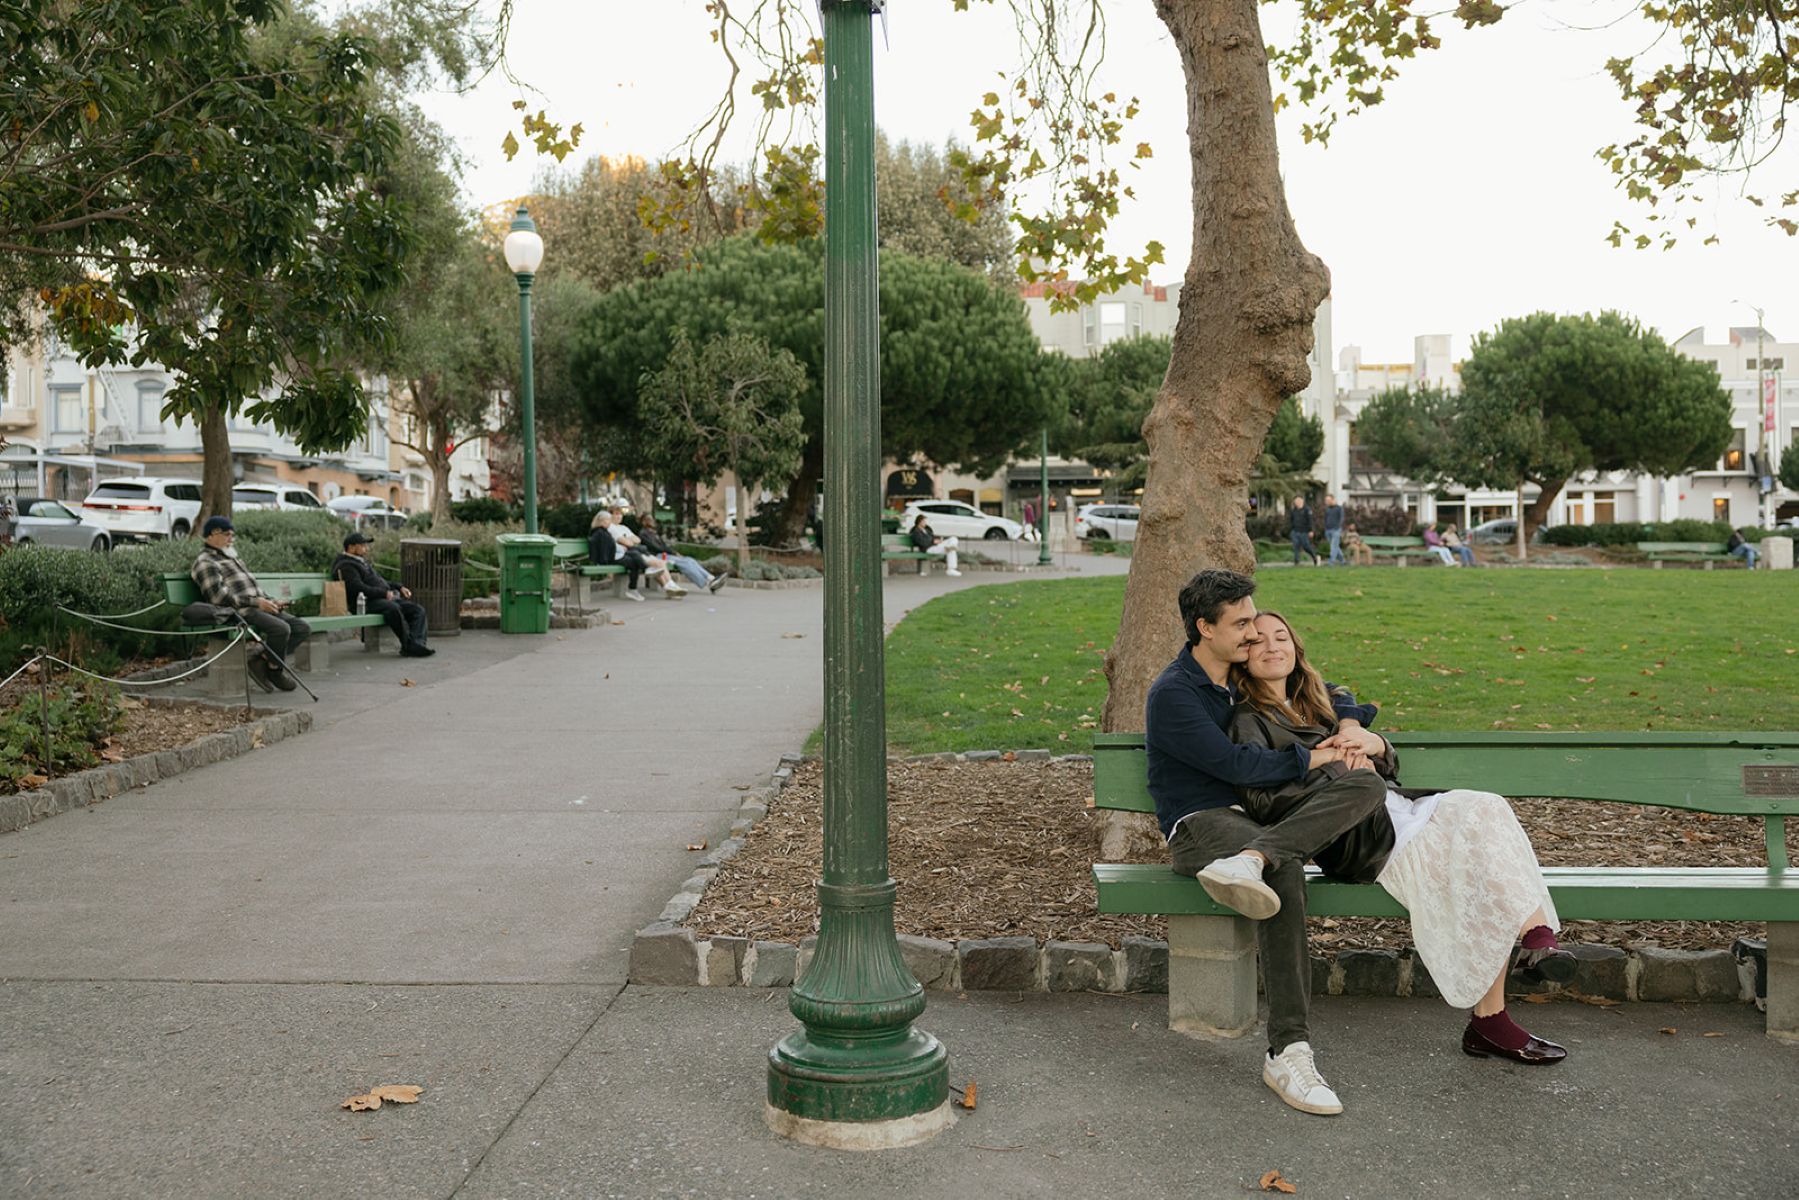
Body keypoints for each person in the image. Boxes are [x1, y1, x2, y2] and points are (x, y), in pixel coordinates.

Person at [1226, 610, 1570, 1101]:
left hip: (1403, 809)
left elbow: (1383, 758)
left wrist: (1376, 743)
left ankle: (1536, 939)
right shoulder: (1248, 719)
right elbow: (1262, 801)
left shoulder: (1318, 701)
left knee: (1486, 808)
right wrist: (1334, 772)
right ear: (1244, 657)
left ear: (1297, 649)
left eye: (1281, 637)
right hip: (1361, 838)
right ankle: (1498, 1007)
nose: (1271, 646)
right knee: (1470, 866)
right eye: (1258, 641)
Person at [1145, 569, 1389, 1116]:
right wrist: (1320, 755)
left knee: (1366, 783)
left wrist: (1348, 723)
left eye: (1254, 618)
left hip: (1260, 825)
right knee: (1284, 867)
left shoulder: (1234, 672)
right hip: (1200, 824)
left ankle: (1256, 857)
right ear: (1205, 628)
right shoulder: (1174, 695)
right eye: (1242, 623)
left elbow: (1329, 689)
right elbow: (1236, 764)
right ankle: (1288, 1051)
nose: (1255, 632)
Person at [189, 515, 308, 692]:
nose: (231, 539)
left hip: (256, 606)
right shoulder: (205, 562)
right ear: (213, 534)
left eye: (232, 535)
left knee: (302, 628)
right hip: (238, 612)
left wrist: (270, 600)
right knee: (281, 629)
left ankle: (261, 661)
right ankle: (274, 670)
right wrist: (256, 603)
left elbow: (253, 588)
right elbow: (218, 598)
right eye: (227, 534)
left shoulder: (231, 558)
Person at [333, 531, 434, 657]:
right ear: (351, 547)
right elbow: (357, 588)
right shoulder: (346, 565)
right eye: (363, 545)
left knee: (418, 610)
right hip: (364, 603)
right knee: (393, 608)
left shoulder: (361, 562)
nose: (366, 548)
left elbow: (380, 582)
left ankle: (417, 645)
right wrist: (384, 593)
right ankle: (408, 645)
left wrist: (399, 586)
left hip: (380, 599)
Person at [608, 507, 686, 598]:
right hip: (627, 555)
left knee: (659, 563)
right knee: (657, 564)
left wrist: (626, 539)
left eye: (620, 514)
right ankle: (670, 586)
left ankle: (670, 587)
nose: (619, 516)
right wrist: (628, 540)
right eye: (616, 514)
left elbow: (638, 540)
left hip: (634, 551)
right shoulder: (610, 527)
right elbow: (627, 542)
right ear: (610, 515)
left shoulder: (623, 527)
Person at [638, 515, 726, 594]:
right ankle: (708, 583)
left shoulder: (654, 533)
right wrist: (673, 552)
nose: (652, 521)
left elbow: (663, 546)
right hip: (658, 556)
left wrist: (674, 552)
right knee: (684, 563)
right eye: (649, 519)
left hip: (665, 554)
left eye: (652, 519)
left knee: (689, 560)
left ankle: (711, 578)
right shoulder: (644, 533)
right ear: (644, 522)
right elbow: (656, 548)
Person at [590, 510, 647, 601]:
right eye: (607, 520)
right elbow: (607, 549)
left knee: (635, 554)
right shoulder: (600, 533)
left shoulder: (603, 531)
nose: (609, 522)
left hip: (615, 555)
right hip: (611, 558)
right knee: (633, 561)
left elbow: (612, 546)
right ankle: (636, 583)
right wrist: (621, 549)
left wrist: (621, 549)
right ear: (602, 521)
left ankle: (640, 577)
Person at [1288, 497, 1319, 566]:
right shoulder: (1293, 511)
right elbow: (1291, 520)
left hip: (1304, 531)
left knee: (1306, 546)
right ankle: (1296, 561)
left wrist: (1311, 530)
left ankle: (1314, 557)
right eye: (1296, 501)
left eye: (1298, 501)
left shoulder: (1307, 510)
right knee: (1296, 546)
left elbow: (1310, 521)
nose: (1297, 503)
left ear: (1302, 501)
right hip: (1295, 531)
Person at [1322, 495, 1345, 566]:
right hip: (1328, 530)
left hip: (1336, 530)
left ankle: (1331, 562)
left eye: (1328, 500)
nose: (1327, 502)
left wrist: (1338, 527)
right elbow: (1325, 519)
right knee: (1335, 546)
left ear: (1333, 500)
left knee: (1333, 545)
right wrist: (1325, 527)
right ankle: (1342, 560)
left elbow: (1341, 518)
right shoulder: (1327, 509)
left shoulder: (1339, 508)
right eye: (1326, 501)